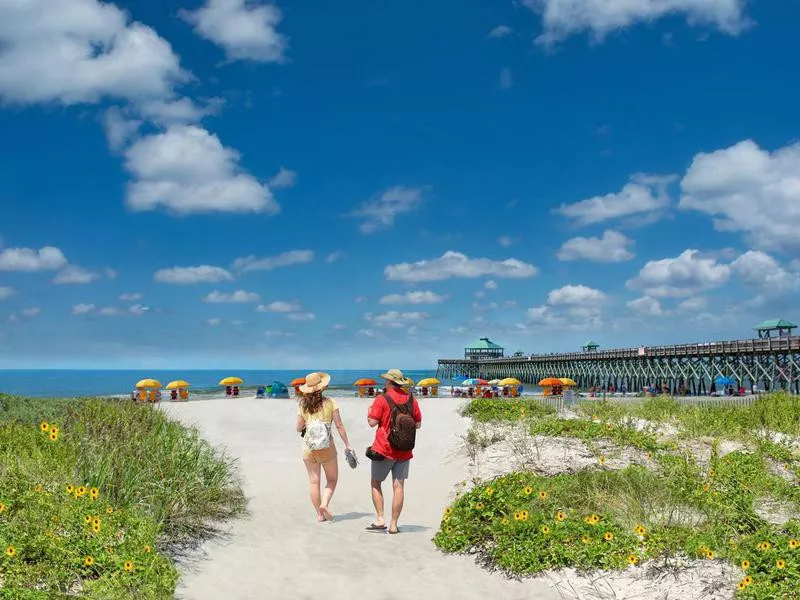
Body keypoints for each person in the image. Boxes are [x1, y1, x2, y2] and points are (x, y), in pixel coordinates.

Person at [365, 368, 422, 534]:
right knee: (399, 487)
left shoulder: (382, 399)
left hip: (384, 449)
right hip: (404, 450)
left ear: (390, 382)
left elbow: (372, 422)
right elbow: (417, 424)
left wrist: (369, 412)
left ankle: (381, 519)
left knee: (376, 483)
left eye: (386, 380)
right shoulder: (412, 399)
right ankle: (394, 525)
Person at [296, 372, 352, 522]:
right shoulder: (330, 402)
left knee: (314, 482)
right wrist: (347, 445)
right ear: (322, 387)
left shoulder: (302, 404)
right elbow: (339, 426)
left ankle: (319, 515)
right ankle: (325, 504)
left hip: (309, 448)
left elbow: (298, 427)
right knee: (332, 480)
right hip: (327, 447)